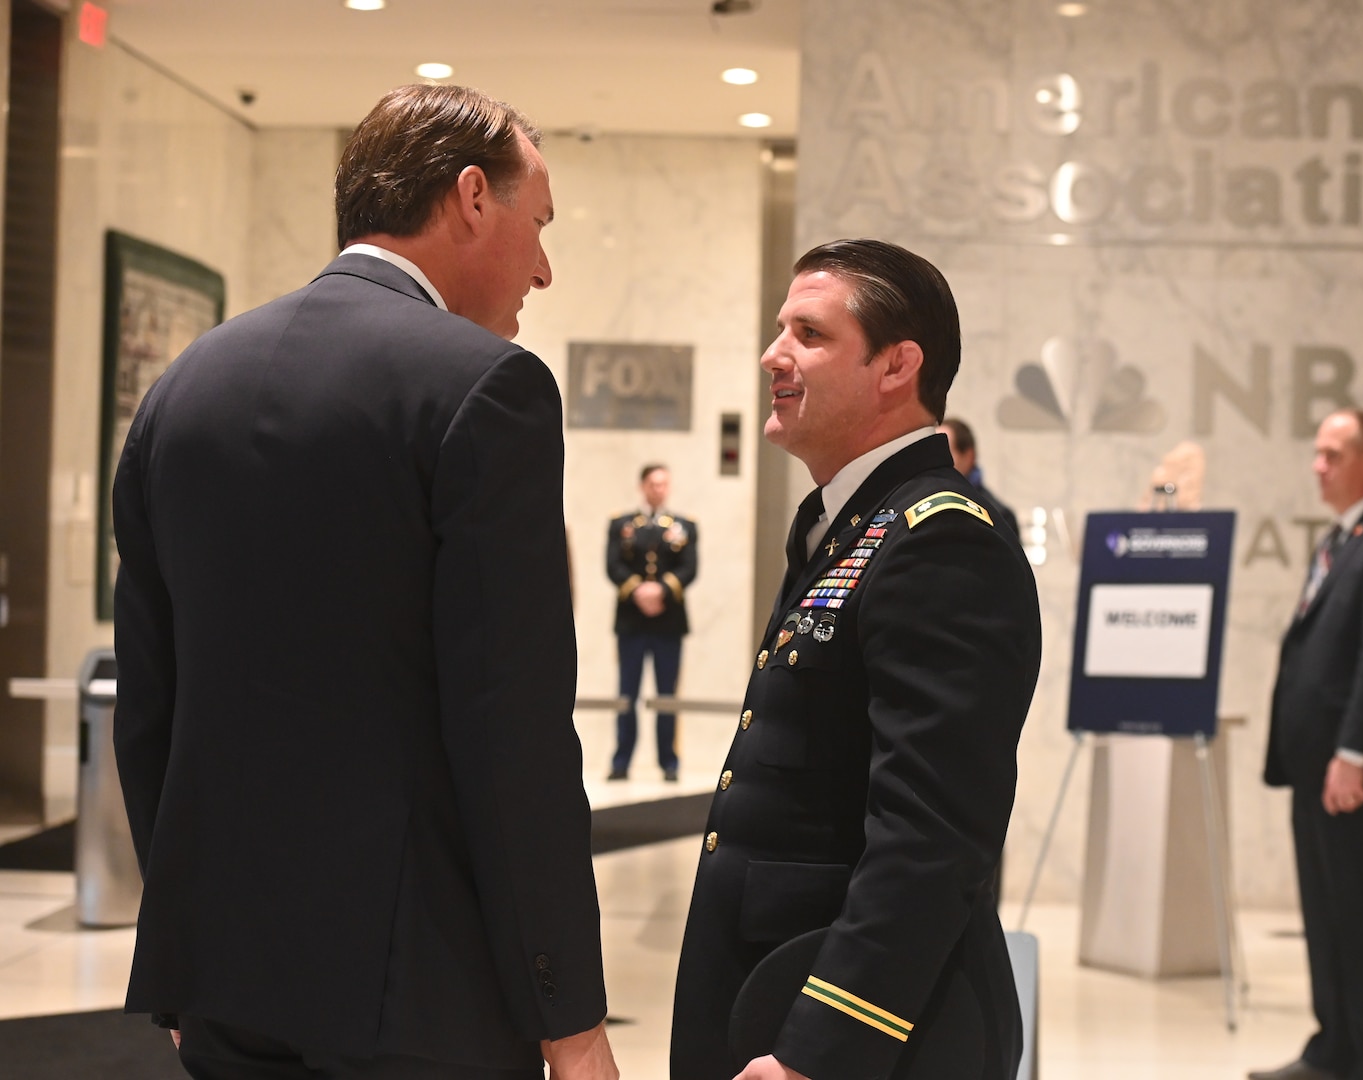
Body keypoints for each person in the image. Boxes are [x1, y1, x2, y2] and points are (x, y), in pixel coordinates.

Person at [112, 84, 617, 1080]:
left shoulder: (183, 387)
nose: (545, 268)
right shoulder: (486, 388)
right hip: (420, 1000)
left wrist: (183, 958)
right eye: (539, 224)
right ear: (473, 197)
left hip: (225, 981)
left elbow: (151, 709)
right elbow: (510, 730)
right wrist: (571, 1017)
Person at [670, 239, 1042, 1080]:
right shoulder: (850, 526)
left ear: (895, 365)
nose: (774, 355)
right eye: (778, 329)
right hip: (778, 987)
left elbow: (932, 833)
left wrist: (821, 1050)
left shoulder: (938, 539)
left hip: (865, 1033)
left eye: (809, 333)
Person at [1251, 409, 1363, 1080]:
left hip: (1355, 773)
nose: (1316, 465)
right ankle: (1333, 1049)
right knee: (1326, 920)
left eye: (1332, 453)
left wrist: (1353, 754)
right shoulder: (1341, 540)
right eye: (1317, 451)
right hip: (1313, 766)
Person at [605, 464, 697, 781]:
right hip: (632, 622)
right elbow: (613, 564)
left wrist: (661, 590)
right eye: (653, 484)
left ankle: (669, 763)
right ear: (643, 486)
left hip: (668, 622)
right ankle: (621, 762)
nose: (659, 489)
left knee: (666, 695)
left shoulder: (684, 525)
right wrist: (638, 590)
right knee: (626, 694)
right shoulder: (622, 524)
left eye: (664, 484)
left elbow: (689, 568)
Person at [938, 417, 1018, 533]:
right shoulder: (923, 503)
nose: (937, 462)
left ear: (969, 456)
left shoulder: (999, 516)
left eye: (945, 454)